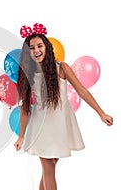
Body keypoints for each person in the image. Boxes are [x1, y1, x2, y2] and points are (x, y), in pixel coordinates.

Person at [14, 23, 113, 190]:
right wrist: (21, 136)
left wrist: (101, 113)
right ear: (27, 53)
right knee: (48, 168)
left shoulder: (61, 68)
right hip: (41, 126)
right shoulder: (28, 74)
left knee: (49, 167)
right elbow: (25, 109)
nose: (36, 50)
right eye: (32, 48)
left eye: (40, 45)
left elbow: (82, 90)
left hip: (60, 125)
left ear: (47, 47)